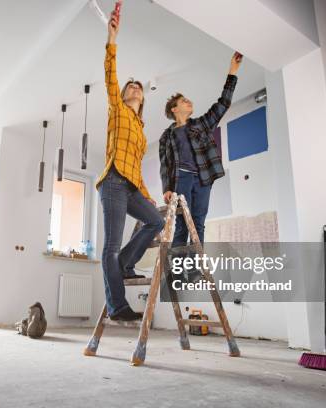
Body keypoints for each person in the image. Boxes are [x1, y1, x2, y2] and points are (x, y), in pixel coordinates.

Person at [95, 8, 164, 321]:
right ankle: (117, 306)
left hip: (132, 185)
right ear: (123, 95)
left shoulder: (141, 130)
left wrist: (147, 193)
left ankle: (126, 262)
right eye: (130, 86)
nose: (134, 87)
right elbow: (111, 75)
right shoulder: (118, 110)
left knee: (156, 222)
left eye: (138, 87)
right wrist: (112, 38)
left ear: (143, 100)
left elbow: (136, 164)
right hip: (112, 182)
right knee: (109, 245)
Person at [159, 52, 243, 251]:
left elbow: (223, 104)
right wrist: (166, 188)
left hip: (203, 179)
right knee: (181, 226)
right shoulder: (167, 136)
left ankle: (196, 272)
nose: (189, 102)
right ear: (174, 109)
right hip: (182, 179)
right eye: (184, 101)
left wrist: (232, 72)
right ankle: (179, 273)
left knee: (198, 224)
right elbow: (165, 165)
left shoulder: (201, 125)